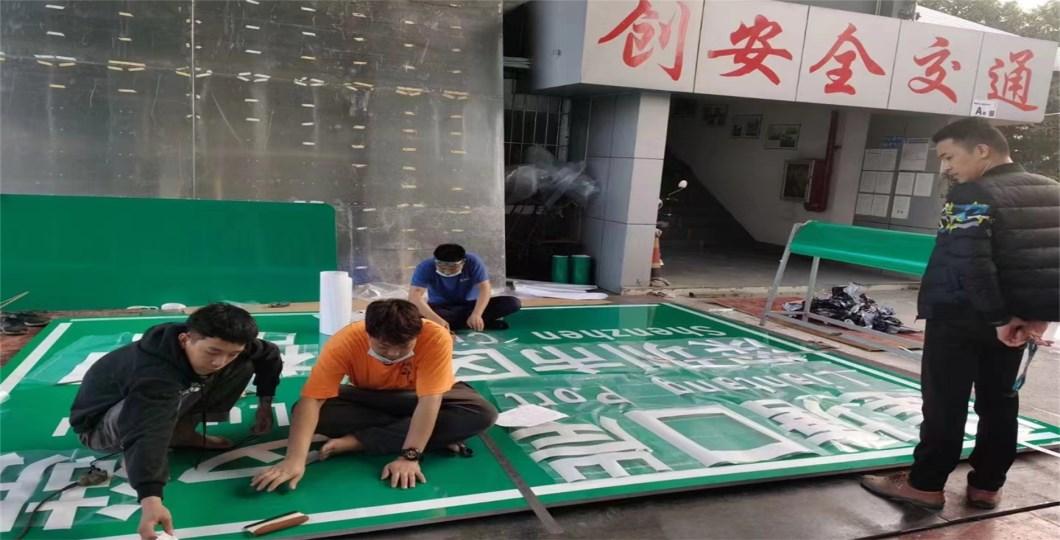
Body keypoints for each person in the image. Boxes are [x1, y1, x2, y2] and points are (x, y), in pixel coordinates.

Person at [861, 118, 1059, 511]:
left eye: (949, 157)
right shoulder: (1053, 191)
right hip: (1017, 323)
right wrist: (1037, 317)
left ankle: (925, 484)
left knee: (945, 401)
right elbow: (1052, 263)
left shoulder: (971, 194)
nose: (946, 167)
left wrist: (998, 317)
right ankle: (987, 485)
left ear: (981, 150)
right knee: (1000, 402)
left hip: (960, 317)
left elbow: (970, 264)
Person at [70, 303, 282, 540]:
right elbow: (147, 429)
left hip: (147, 409)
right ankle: (134, 457)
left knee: (243, 364)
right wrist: (150, 496)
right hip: (101, 427)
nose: (219, 361)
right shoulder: (154, 373)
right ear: (185, 339)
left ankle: (182, 433)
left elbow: (270, 354)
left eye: (230, 353)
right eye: (212, 352)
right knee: (153, 408)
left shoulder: (227, 346)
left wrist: (265, 404)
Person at [250, 299, 497, 492]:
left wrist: (410, 456)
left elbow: (429, 400)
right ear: (367, 333)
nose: (393, 354)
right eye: (383, 346)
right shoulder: (345, 341)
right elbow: (313, 399)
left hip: (423, 397)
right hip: (371, 397)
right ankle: (434, 434)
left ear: (417, 334)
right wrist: (294, 459)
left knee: (482, 413)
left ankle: (359, 442)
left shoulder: (435, 337)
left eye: (404, 346)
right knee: (309, 411)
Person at [408, 243, 521, 331]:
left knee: (512, 303)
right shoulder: (425, 266)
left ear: (463, 262)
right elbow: (414, 297)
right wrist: (436, 319)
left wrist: (477, 314)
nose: (447, 271)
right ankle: (477, 323)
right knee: (413, 315)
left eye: (452, 267)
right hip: (442, 308)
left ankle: (463, 323)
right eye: (442, 266)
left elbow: (485, 288)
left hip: (470, 305)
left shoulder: (473, 262)